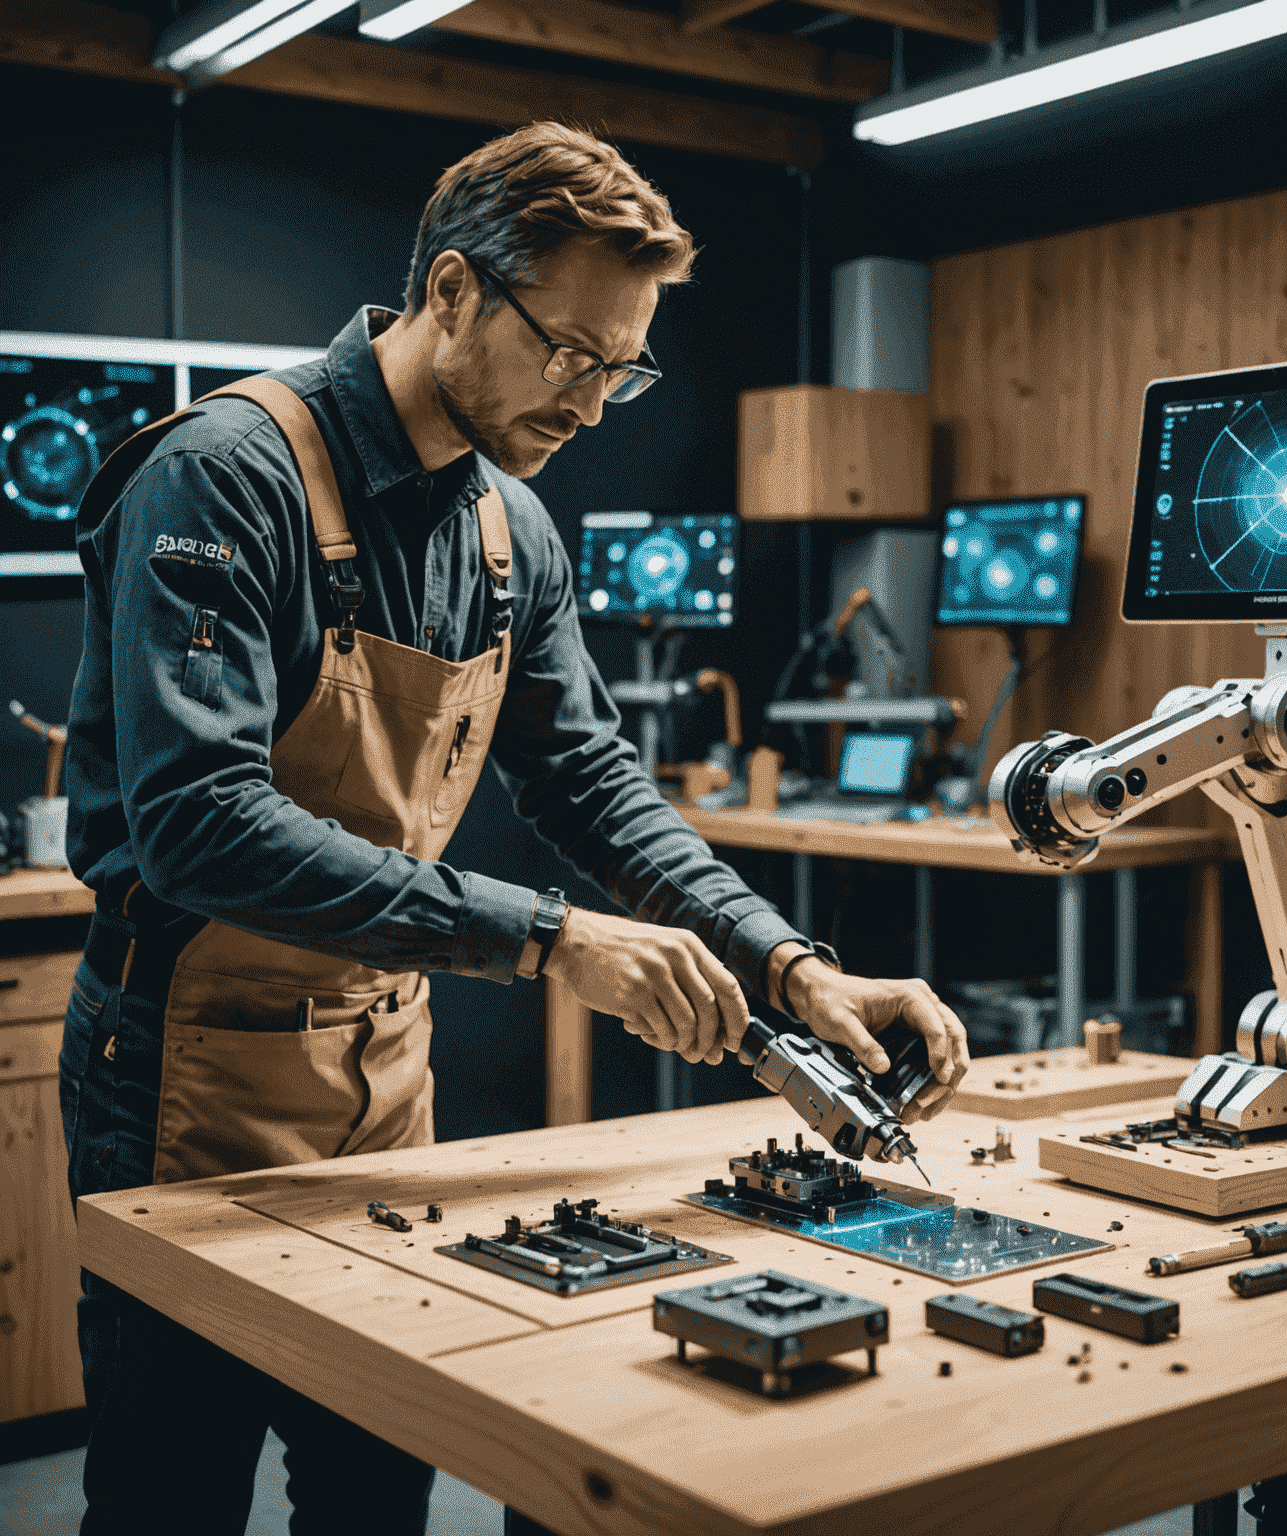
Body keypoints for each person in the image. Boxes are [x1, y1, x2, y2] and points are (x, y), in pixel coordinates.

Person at [59, 122, 970, 1533]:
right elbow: (200, 824)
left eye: (626, 366)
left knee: (373, 1483)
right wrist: (552, 941)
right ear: (451, 294)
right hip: (182, 1071)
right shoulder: (226, 473)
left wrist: (793, 967)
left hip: (384, 1066)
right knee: (172, 1492)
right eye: (570, 354)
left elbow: (591, 785)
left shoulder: (512, 533)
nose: (596, 404)